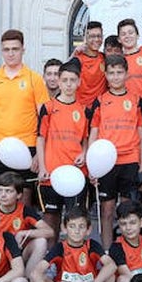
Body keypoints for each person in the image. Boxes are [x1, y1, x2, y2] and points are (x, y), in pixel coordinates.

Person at [0, 29, 50, 190]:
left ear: (23, 50)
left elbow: (44, 119)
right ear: (1, 51)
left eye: (15, 49)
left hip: (27, 145)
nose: (10, 54)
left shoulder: (35, 79)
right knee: (0, 196)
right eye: (6, 49)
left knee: (24, 195)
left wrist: (40, 154)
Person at [88, 53, 142, 247]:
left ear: (126, 74)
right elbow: (93, 133)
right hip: (106, 163)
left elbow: (141, 132)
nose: (115, 77)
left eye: (119, 72)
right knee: (107, 210)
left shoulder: (136, 100)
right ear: (106, 75)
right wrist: (91, 165)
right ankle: (107, 252)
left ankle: (128, 251)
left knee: (128, 212)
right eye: (111, 73)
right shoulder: (100, 100)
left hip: (129, 160)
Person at [35, 60, 90, 235]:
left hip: (76, 173)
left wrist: (84, 153)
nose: (68, 84)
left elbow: (85, 139)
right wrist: (42, 167)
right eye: (65, 80)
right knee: (51, 221)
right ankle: (52, 253)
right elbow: (40, 138)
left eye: (72, 80)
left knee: (76, 220)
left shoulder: (83, 110)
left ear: (79, 82)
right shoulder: (48, 107)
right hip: (51, 173)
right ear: (58, 81)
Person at [30, 206, 113, 282]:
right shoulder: (60, 248)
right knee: (36, 279)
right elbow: (36, 272)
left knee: (109, 277)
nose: (77, 231)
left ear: (88, 230)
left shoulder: (92, 245)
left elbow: (111, 265)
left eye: (81, 226)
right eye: (72, 226)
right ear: (64, 228)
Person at [0, 171, 54, 272]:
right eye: (0, 191)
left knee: (41, 242)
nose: (3, 195)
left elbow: (49, 232)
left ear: (19, 195)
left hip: (18, 254)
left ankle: (29, 277)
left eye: (8, 191)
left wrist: (24, 233)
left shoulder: (25, 211)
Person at [73, 21, 108, 108]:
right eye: (92, 36)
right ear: (85, 38)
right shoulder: (78, 60)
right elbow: (63, 75)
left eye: (99, 36)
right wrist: (73, 54)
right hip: (82, 108)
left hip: (100, 109)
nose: (96, 39)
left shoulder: (104, 58)